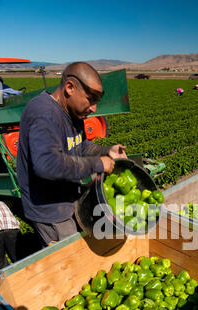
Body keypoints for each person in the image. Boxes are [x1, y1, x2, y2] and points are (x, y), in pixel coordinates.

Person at [16, 61, 127, 247]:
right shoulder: (44, 113)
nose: (94, 109)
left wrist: (107, 151)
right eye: (91, 99)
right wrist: (98, 164)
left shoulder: (73, 113)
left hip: (69, 198)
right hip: (50, 209)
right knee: (67, 260)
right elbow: (47, 164)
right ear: (70, 87)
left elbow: (79, 146)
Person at [0, 201, 20, 270]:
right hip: (12, 228)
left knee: (0, 261)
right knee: (17, 256)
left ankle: (7, 275)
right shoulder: (1, 202)